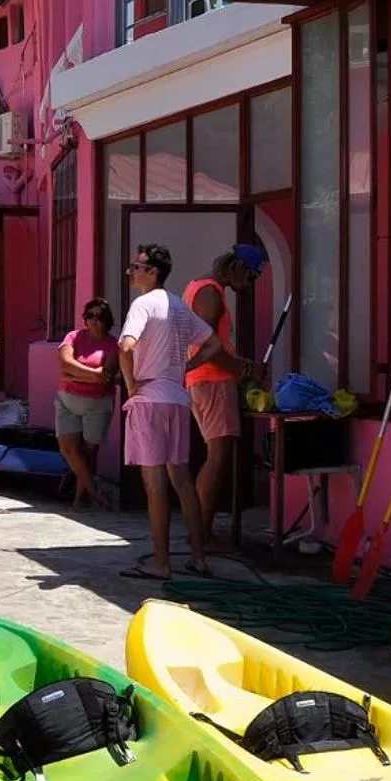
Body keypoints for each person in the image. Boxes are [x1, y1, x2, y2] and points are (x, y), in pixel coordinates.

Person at [118, 243, 228, 582]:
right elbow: (213, 343)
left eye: (136, 266)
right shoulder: (179, 305)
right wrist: (185, 367)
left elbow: (125, 345)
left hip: (150, 398)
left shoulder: (143, 304)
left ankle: (161, 562)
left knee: (155, 482)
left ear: (153, 272)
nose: (131, 271)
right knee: (181, 479)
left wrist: (132, 383)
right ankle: (198, 556)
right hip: (177, 399)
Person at [185, 246, 269, 550]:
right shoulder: (209, 294)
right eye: (252, 276)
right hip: (211, 381)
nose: (251, 284)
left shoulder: (204, 288)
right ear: (237, 268)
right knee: (216, 459)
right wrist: (246, 369)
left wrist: (243, 365)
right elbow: (210, 349)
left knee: (217, 458)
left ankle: (200, 531)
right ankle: (202, 535)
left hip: (211, 380)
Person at [55, 298, 119, 509]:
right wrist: (93, 374)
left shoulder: (112, 344)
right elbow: (65, 363)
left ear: (107, 320)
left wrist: (74, 374)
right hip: (68, 400)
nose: (94, 321)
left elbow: (107, 375)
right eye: (90, 316)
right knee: (68, 448)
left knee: (89, 452)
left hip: (98, 403)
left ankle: (79, 499)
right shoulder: (74, 336)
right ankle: (95, 491)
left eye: (99, 317)